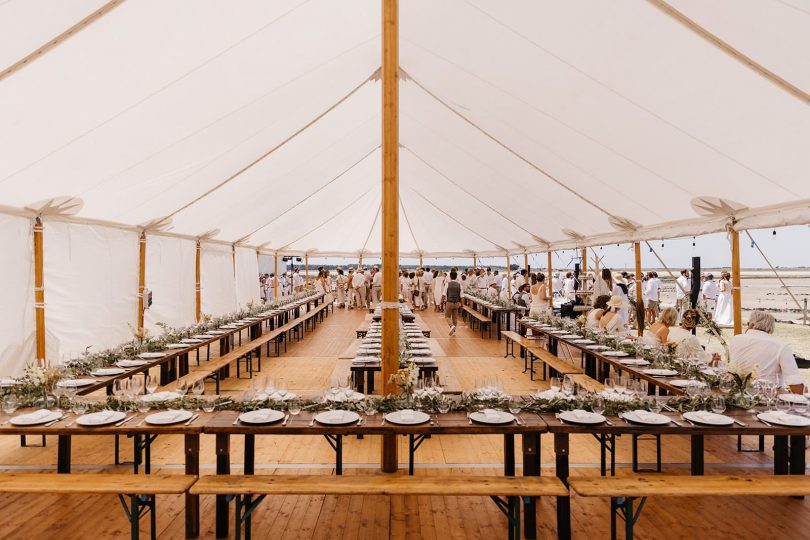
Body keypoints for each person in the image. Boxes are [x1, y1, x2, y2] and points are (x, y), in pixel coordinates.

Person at [729, 311, 803, 393]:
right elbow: (795, 384)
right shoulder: (780, 346)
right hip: (769, 397)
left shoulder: (735, 340)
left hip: (737, 393)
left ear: (750, 325)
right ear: (771, 329)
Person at [443, 271, 462, 336]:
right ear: (456, 277)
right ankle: (454, 331)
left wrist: (441, 301)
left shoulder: (447, 284)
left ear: (450, 277)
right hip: (457, 303)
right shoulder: (459, 285)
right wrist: (462, 304)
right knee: (455, 318)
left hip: (449, 302)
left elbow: (444, 294)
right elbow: (462, 296)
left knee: (447, 316)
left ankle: (451, 326)